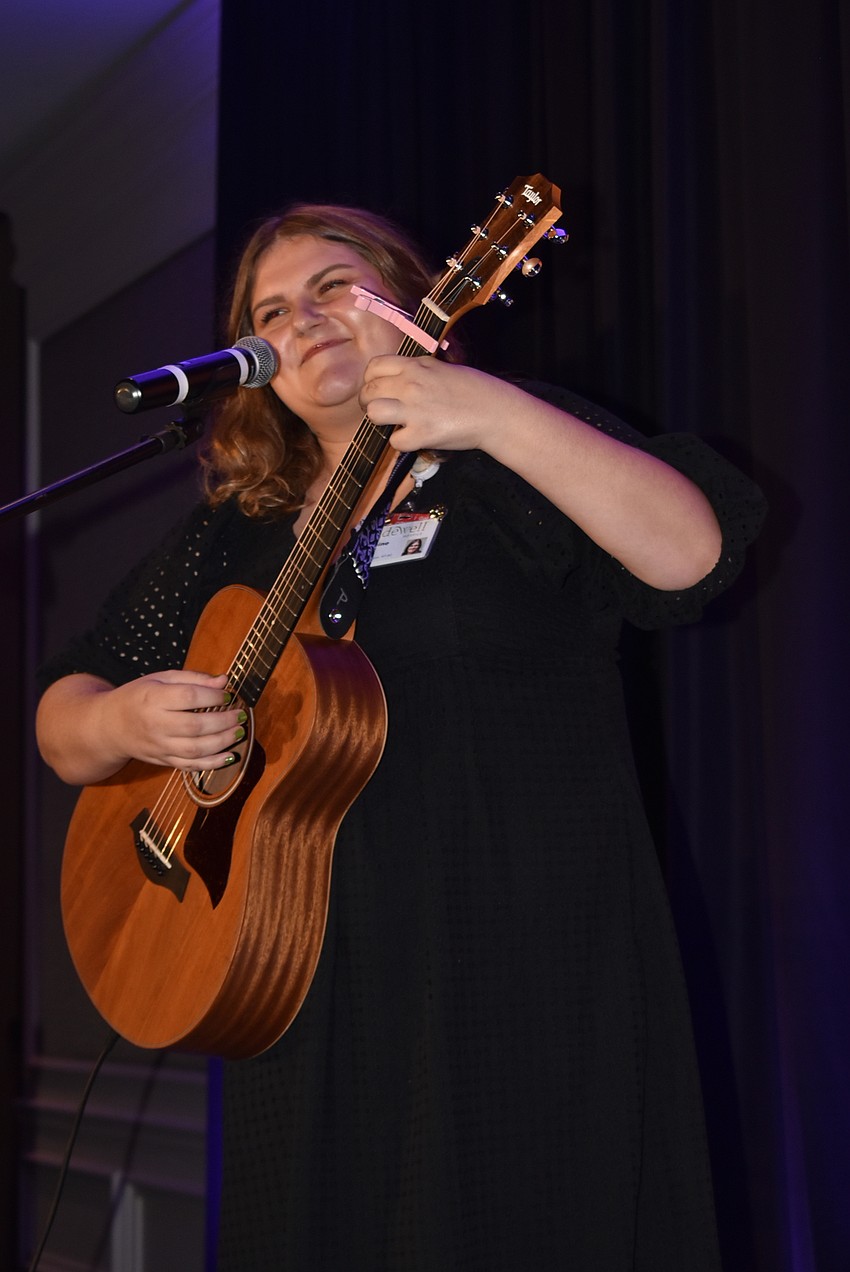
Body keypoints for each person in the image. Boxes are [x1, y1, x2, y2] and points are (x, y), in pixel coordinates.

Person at [36, 203, 765, 1270]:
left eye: (334, 286)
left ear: (415, 296)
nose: (307, 320)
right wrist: (120, 718)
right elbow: (67, 712)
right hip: (306, 973)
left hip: (520, 952)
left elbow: (689, 554)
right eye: (272, 312)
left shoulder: (504, 447)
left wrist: (494, 417)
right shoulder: (237, 529)